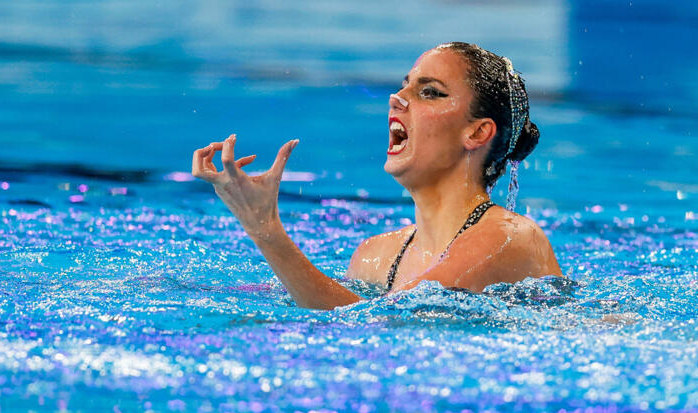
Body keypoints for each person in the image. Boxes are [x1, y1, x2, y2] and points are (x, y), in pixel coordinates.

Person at [191, 42, 562, 310]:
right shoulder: (376, 255)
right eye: (404, 85)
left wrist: (266, 230)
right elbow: (321, 300)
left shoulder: (510, 239)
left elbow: (370, 324)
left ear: (478, 133)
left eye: (429, 92)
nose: (397, 98)